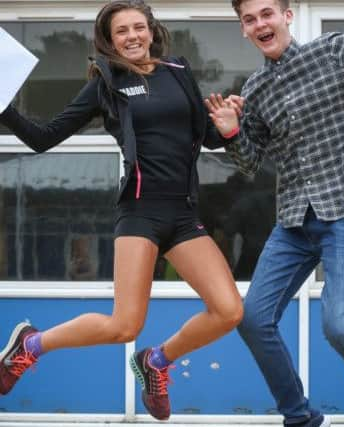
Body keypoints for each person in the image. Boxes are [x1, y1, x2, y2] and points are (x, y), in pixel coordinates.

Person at [0, 0, 244, 420]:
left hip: (184, 214)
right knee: (124, 326)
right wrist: (2, 108)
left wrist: (228, 130)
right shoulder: (105, 84)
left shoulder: (180, 74)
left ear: (151, 31)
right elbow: (43, 137)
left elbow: (209, 138)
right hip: (140, 212)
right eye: (121, 32)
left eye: (138, 27)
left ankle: (156, 362)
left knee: (229, 311)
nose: (132, 36)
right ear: (110, 41)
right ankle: (31, 345)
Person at [206, 0, 344, 426]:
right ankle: (299, 416)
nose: (259, 23)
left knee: (340, 328)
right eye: (249, 19)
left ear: (286, 16)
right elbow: (249, 162)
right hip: (294, 221)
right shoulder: (254, 90)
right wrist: (230, 130)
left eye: (267, 13)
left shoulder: (334, 51)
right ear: (244, 30)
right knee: (253, 320)